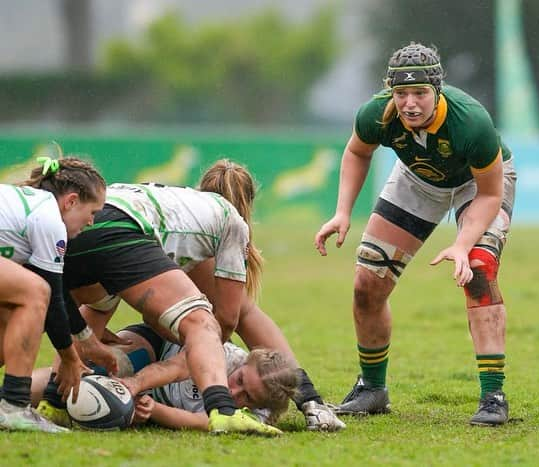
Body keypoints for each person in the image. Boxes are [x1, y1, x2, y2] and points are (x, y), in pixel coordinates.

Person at [40, 160, 342, 433]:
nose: (241, 392)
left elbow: (101, 304)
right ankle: (222, 412)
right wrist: (308, 397)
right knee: (200, 327)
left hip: (98, 226)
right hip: (127, 251)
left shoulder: (173, 205)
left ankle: (34, 399)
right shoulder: (217, 230)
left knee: (62, 328)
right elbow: (231, 321)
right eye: (240, 387)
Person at [314, 42, 517, 426]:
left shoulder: (470, 121)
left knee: (479, 271)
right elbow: (358, 152)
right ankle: (372, 389)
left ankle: (493, 397)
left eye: (420, 93)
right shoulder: (377, 113)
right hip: (417, 180)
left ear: (437, 90)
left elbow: (490, 193)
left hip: (480, 185)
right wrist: (342, 212)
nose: (409, 104)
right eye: (401, 93)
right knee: (366, 282)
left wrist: (461, 244)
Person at [0, 155, 113, 432]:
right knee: (35, 291)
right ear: (71, 201)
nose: (91, 222)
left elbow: (56, 296)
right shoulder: (49, 218)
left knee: (9, 322)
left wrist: (83, 339)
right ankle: (13, 406)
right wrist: (71, 358)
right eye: (93, 212)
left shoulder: (29, 209)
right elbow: (51, 299)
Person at [31, 324, 299, 431]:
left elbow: (203, 422)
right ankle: (17, 392)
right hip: (156, 349)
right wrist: (136, 384)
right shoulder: (224, 355)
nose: (233, 392)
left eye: (248, 398)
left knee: (95, 397)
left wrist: (154, 410)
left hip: (154, 398)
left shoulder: (258, 417)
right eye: (239, 380)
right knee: (99, 370)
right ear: (243, 363)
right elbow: (175, 366)